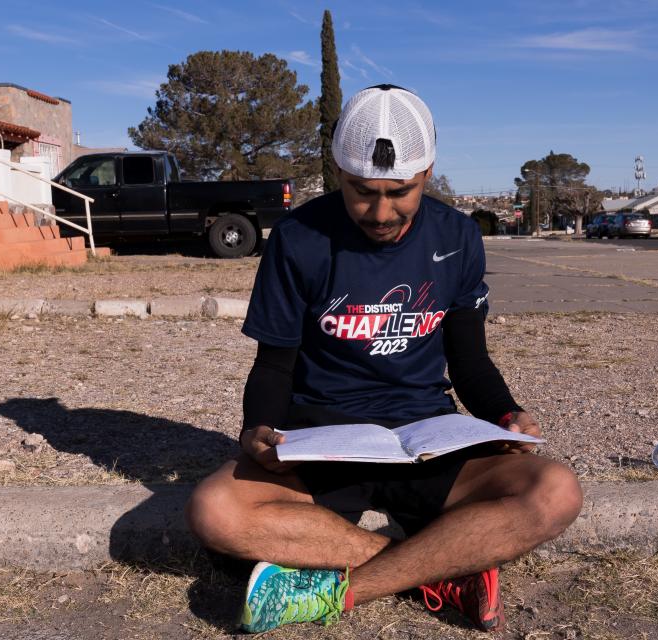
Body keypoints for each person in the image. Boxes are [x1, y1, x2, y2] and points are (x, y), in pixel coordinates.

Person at [186, 84, 582, 634]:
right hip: (323, 439)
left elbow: (468, 359)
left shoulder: (458, 235)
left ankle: (341, 593)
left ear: (427, 172)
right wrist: (259, 427)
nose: (379, 211)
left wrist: (506, 412)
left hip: (427, 436)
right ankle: (438, 571)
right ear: (337, 172)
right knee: (214, 510)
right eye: (361, 191)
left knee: (556, 490)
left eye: (400, 192)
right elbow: (274, 363)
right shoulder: (298, 238)